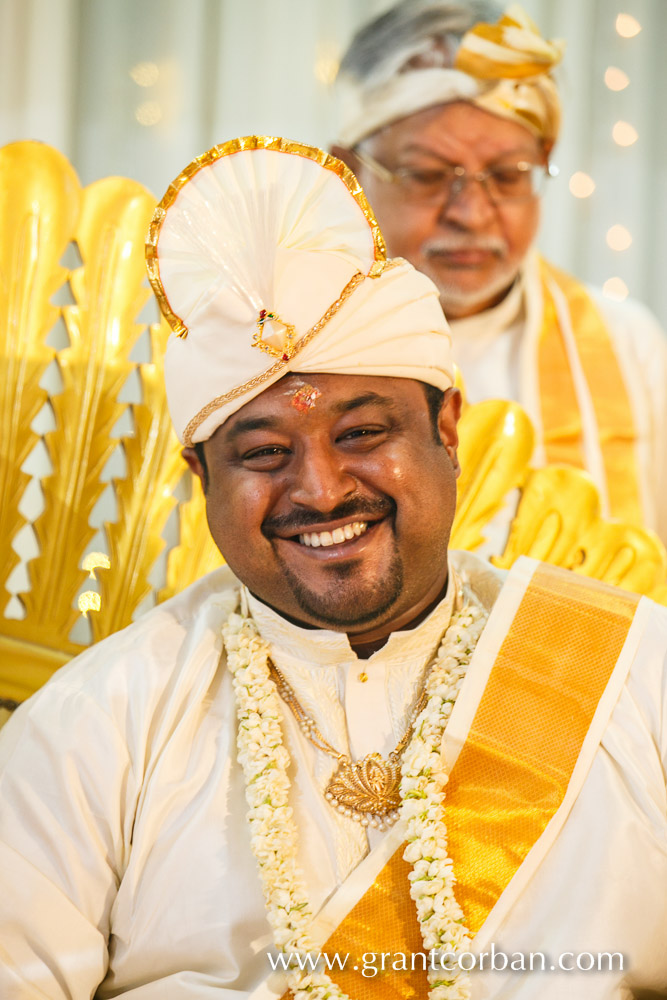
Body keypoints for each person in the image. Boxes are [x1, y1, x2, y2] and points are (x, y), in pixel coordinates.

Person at [0, 136, 665, 1000]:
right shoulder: (97, 726)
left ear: (448, 429)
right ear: (201, 477)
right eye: (264, 451)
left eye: (362, 433)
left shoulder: (634, 675)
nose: (319, 489)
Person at [332, 1, 667, 545]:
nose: (471, 212)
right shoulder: (278, 342)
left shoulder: (628, 344)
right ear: (349, 171)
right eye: (427, 174)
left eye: (509, 176)